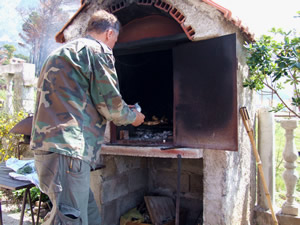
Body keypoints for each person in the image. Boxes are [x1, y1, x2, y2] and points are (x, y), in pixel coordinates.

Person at [30, 10, 145, 225]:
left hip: (48, 149)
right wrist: (134, 117)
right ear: (109, 33)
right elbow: (112, 108)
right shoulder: (97, 50)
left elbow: (78, 99)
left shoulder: (60, 53)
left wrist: (121, 108)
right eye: (115, 41)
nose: (113, 46)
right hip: (67, 151)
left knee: (89, 216)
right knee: (69, 220)